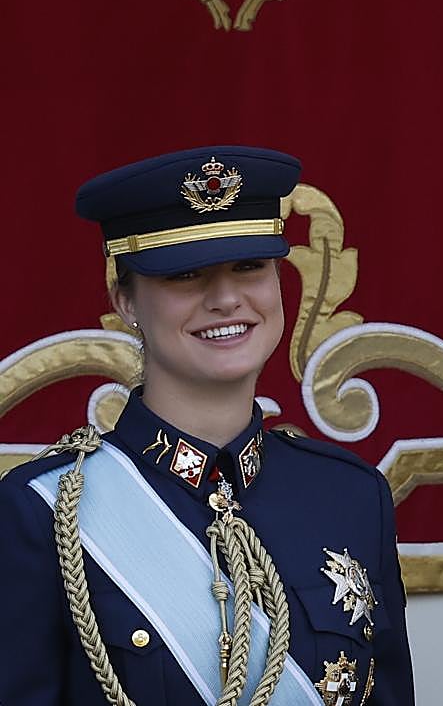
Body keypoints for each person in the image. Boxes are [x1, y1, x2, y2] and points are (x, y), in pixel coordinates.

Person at [0, 146, 415, 705]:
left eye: (250, 267)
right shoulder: (40, 512)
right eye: (185, 274)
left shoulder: (352, 494)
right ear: (125, 300)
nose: (225, 299)